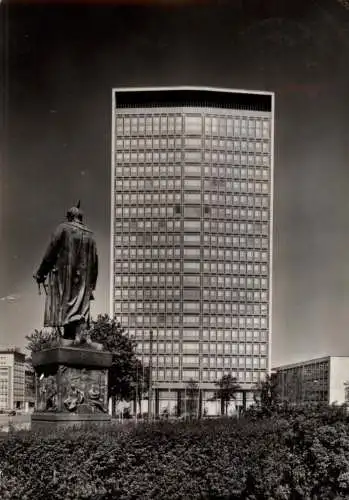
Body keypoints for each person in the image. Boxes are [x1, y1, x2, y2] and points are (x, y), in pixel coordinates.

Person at [34, 202, 98, 343]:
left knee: (66, 302)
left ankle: (72, 335)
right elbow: (95, 263)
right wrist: (92, 284)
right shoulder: (91, 235)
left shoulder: (63, 228)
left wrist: (40, 273)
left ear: (69, 217)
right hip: (84, 281)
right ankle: (78, 334)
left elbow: (51, 251)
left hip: (66, 275)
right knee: (81, 307)